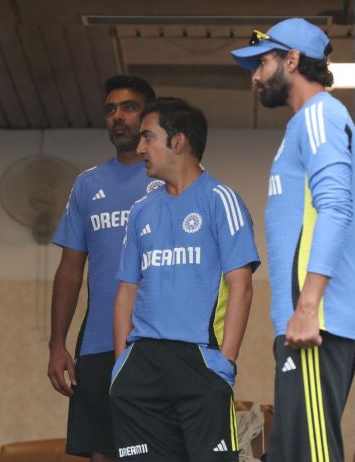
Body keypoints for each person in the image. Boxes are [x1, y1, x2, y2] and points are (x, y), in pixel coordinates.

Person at [231, 18, 355, 461]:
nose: (254, 76)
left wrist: (308, 308)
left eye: (262, 62)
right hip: (302, 324)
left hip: (314, 323)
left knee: (311, 455)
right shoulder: (305, 124)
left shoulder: (319, 116)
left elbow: (336, 208)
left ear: (291, 60)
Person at [110, 97, 260, 462]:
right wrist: (121, 364)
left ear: (178, 141)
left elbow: (241, 285)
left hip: (200, 361)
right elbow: (126, 290)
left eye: (149, 137)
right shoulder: (141, 210)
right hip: (142, 365)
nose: (140, 147)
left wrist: (224, 364)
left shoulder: (220, 200)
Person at [47, 75, 156, 461]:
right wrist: (57, 343)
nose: (118, 117)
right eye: (111, 109)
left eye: (128, 107)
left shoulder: (171, 178)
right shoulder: (86, 185)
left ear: (148, 117)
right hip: (97, 345)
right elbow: (69, 271)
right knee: (102, 453)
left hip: (157, 343)